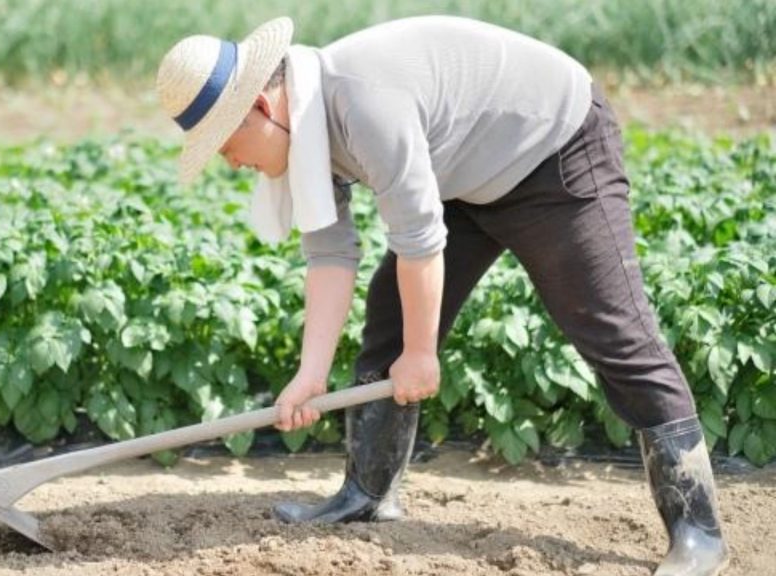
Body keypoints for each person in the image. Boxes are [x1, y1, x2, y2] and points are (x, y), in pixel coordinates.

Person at [155, 16, 729, 576]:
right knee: (391, 314)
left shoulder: (361, 102)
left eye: (226, 146)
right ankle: (368, 495)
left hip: (554, 151)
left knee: (612, 329)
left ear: (261, 106)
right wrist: (311, 374)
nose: (233, 163)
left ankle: (698, 532)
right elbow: (330, 254)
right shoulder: (305, 129)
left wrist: (421, 354)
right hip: (466, 173)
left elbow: (419, 240)